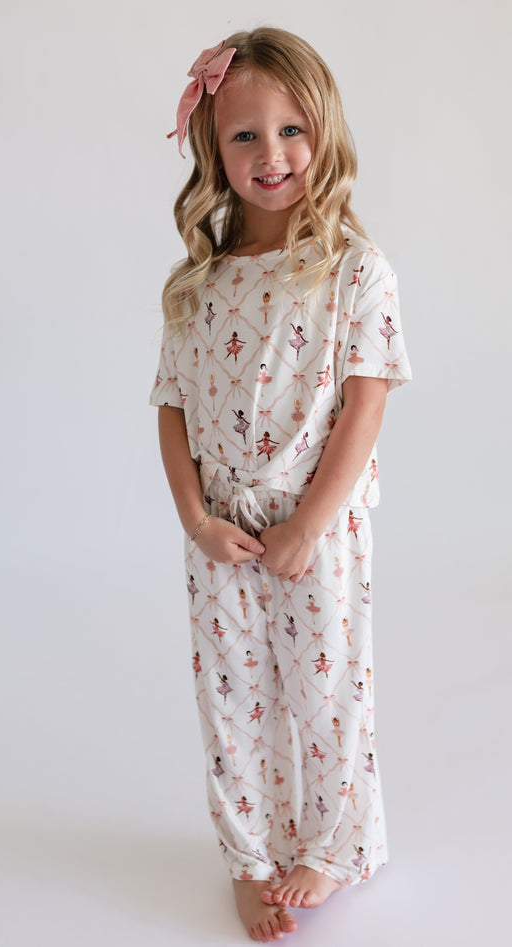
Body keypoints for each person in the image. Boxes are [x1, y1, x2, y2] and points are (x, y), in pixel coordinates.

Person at [151, 26, 411, 942]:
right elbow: (172, 408)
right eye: (244, 135)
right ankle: (250, 856)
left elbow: (365, 404)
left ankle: (337, 846)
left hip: (317, 529)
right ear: (212, 150)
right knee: (231, 699)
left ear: (323, 131)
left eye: (291, 129)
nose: (271, 154)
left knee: (325, 690)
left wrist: (307, 524)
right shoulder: (198, 284)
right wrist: (195, 518)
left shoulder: (353, 271)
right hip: (221, 533)